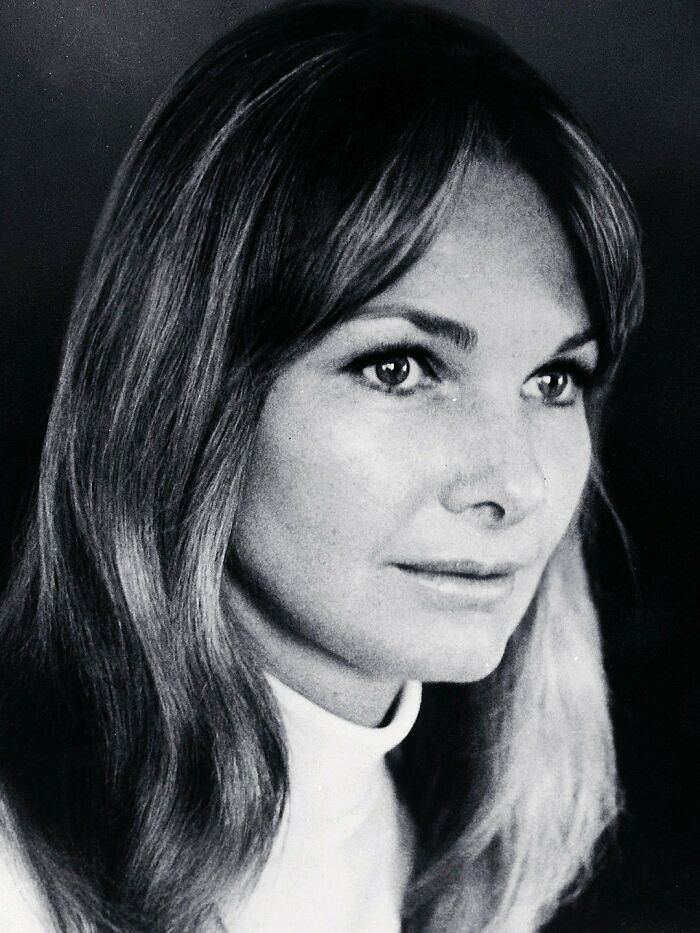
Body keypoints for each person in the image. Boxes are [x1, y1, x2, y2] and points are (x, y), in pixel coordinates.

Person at [0, 1, 644, 930]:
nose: (516, 484)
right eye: (401, 367)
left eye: (553, 378)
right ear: (190, 391)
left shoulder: (460, 868)